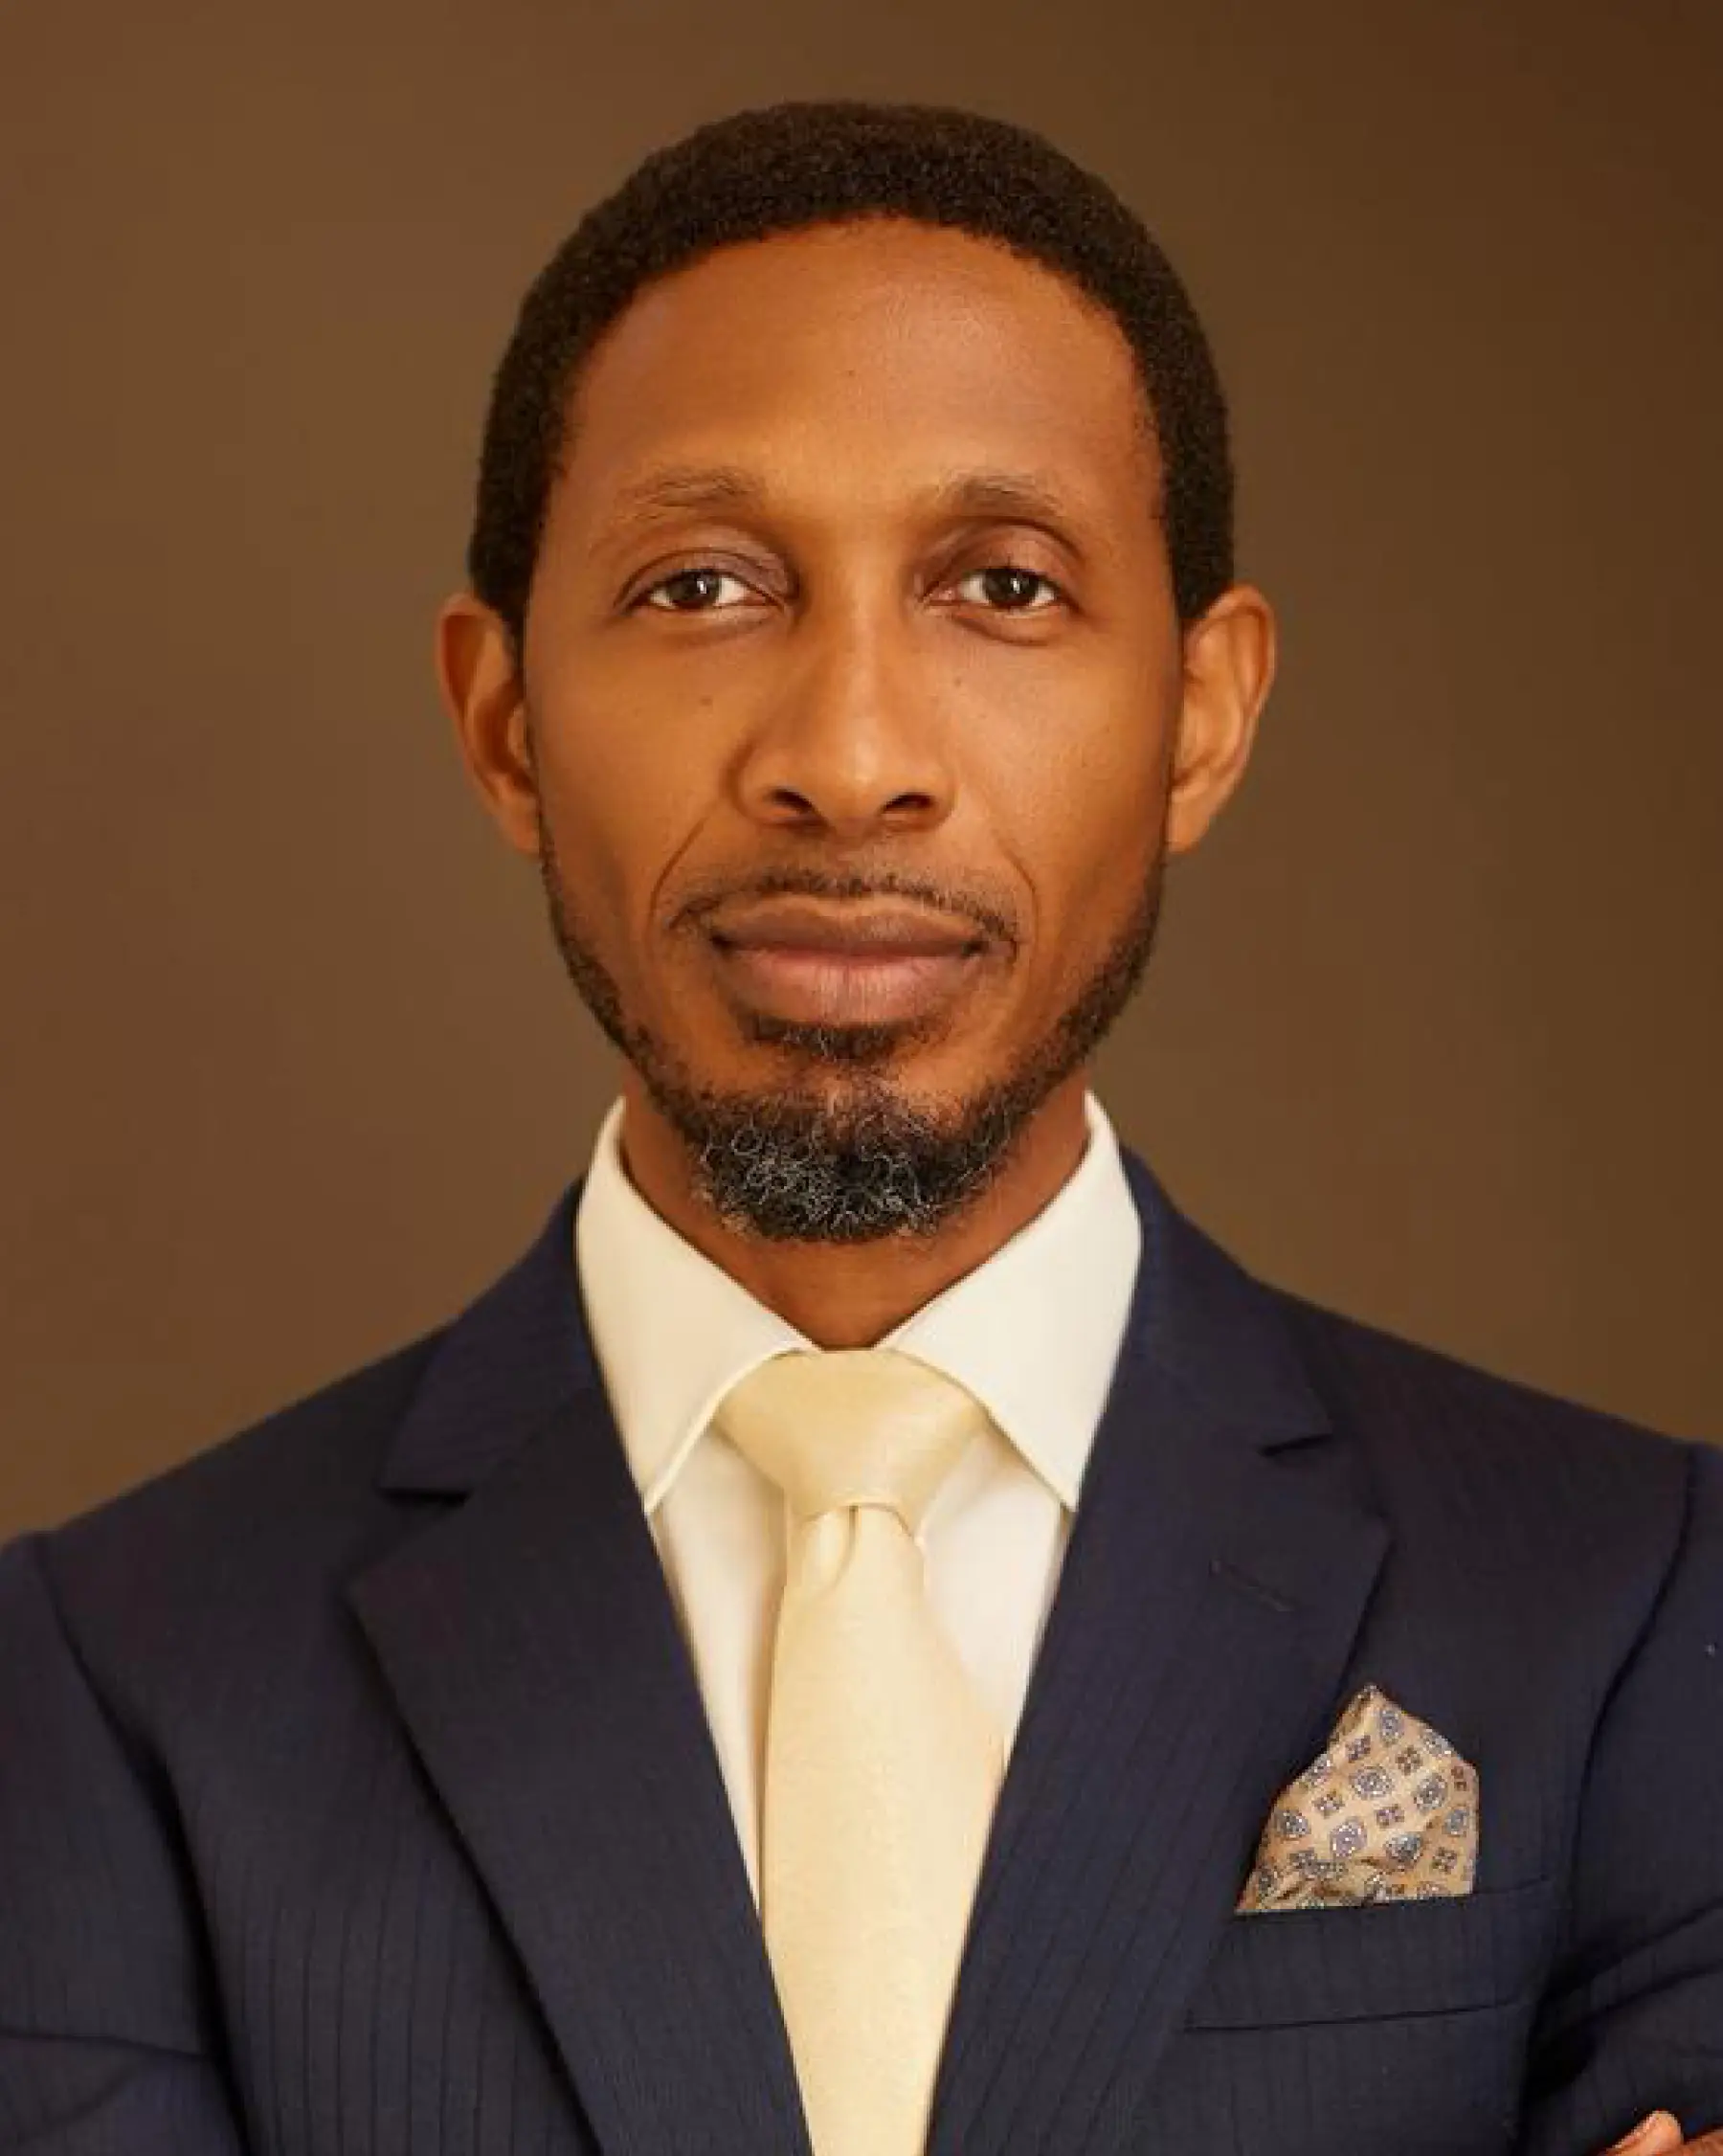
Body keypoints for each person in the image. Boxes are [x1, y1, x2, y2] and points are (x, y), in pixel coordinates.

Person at [0, 99, 1717, 2156]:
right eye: (704, 584)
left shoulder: (1635, 1610)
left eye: (1002, 582)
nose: (851, 756)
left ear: (1202, 710)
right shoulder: (109, 1681)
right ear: (502, 719)